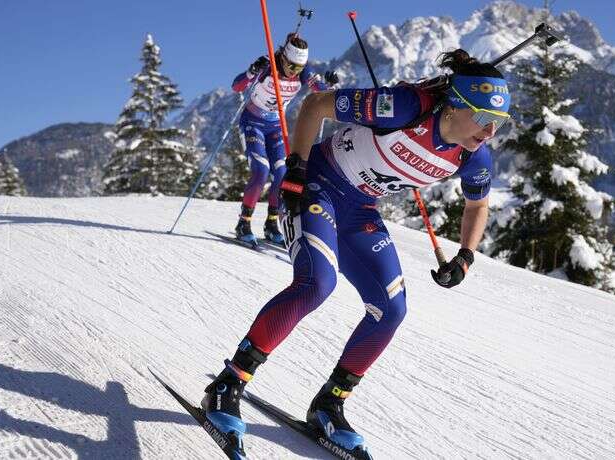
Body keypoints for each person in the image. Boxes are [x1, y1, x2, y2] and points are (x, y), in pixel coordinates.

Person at [203, 49, 511, 454]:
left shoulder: (474, 157)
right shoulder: (403, 108)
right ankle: (229, 384)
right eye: (484, 119)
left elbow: (478, 205)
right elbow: (316, 105)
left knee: (391, 308)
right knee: (317, 284)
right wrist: (295, 168)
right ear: (455, 105)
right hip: (318, 187)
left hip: (361, 210)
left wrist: (466, 256)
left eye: (498, 123)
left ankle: (330, 405)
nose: (490, 132)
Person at [231, 33, 339, 245]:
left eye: (299, 67)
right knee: (261, 170)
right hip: (253, 122)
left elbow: (320, 91)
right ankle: (243, 222)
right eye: (291, 66)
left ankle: (271, 223)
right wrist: (252, 71)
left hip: (275, 127)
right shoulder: (268, 64)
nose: (294, 71)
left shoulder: (303, 72)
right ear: (283, 58)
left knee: (282, 173)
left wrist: (331, 86)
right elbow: (237, 86)